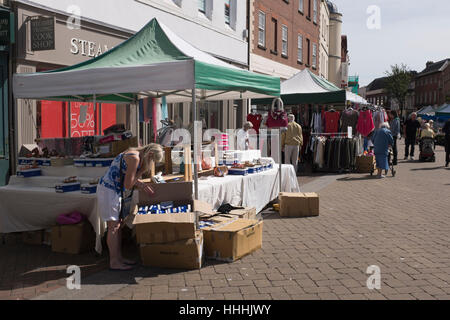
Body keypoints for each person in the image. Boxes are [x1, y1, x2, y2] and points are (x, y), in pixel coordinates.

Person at [97, 143, 164, 270]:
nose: (152, 163)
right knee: (113, 227)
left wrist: (141, 183)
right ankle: (114, 262)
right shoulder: (135, 158)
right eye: (152, 160)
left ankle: (118, 258)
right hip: (108, 190)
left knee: (117, 226)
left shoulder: (134, 153)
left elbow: (128, 179)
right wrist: (141, 172)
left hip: (112, 190)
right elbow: (128, 184)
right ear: (149, 155)